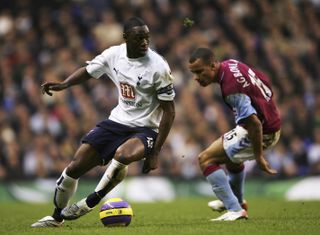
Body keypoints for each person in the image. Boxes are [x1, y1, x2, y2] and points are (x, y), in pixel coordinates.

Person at [31, 17, 175, 227]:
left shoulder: (158, 67)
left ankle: (91, 201)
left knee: (123, 155)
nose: (145, 42)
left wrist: (155, 152)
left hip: (146, 128)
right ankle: (56, 216)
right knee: (74, 168)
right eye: (139, 38)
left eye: (147, 37)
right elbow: (89, 71)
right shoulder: (113, 54)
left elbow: (169, 112)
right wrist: (64, 84)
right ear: (126, 38)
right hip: (117, 122)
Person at [188, 48, 281, 221]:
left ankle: (234, 209)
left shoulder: (231, 87)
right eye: (193, 73)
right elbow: (264, 81)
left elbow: (254, 123)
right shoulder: (232, 64)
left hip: (262, 130)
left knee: (205, 159)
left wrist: (259, 157)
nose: (196, 77)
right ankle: (237, 202)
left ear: (213, 65)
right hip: (269, 123)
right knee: (232, 158)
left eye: (199, 71)